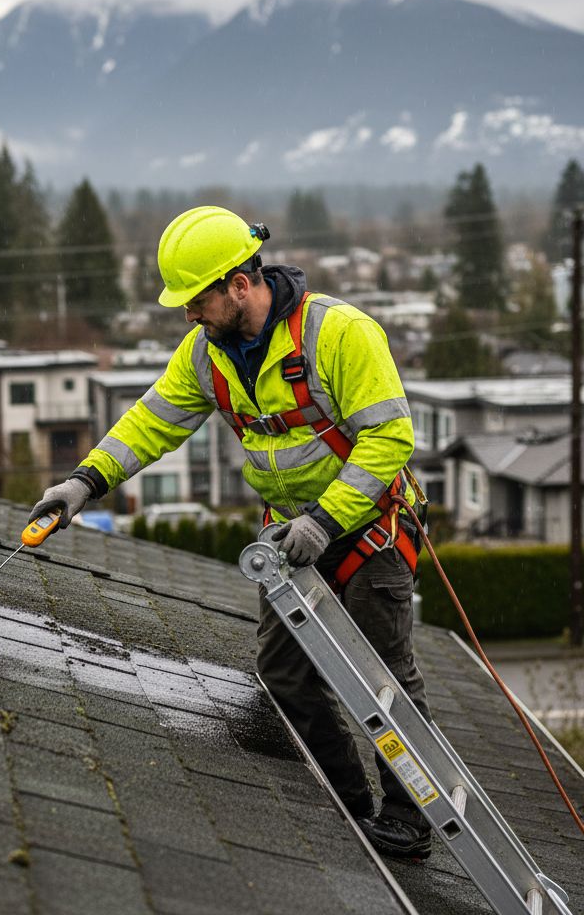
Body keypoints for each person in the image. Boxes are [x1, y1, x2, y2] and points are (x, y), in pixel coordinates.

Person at [29, 205, 432, 861]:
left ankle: (411, 816)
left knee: (382, 678)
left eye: (197, 301)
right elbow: (150, 421)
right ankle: (354, 805)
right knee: (283, 675)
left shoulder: (337, 334)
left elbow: (388, 436)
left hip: (368, 528)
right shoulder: (204, 355)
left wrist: (327, 520)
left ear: (240, 284)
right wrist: (84, 483)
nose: (188, 315)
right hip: (289, 538)